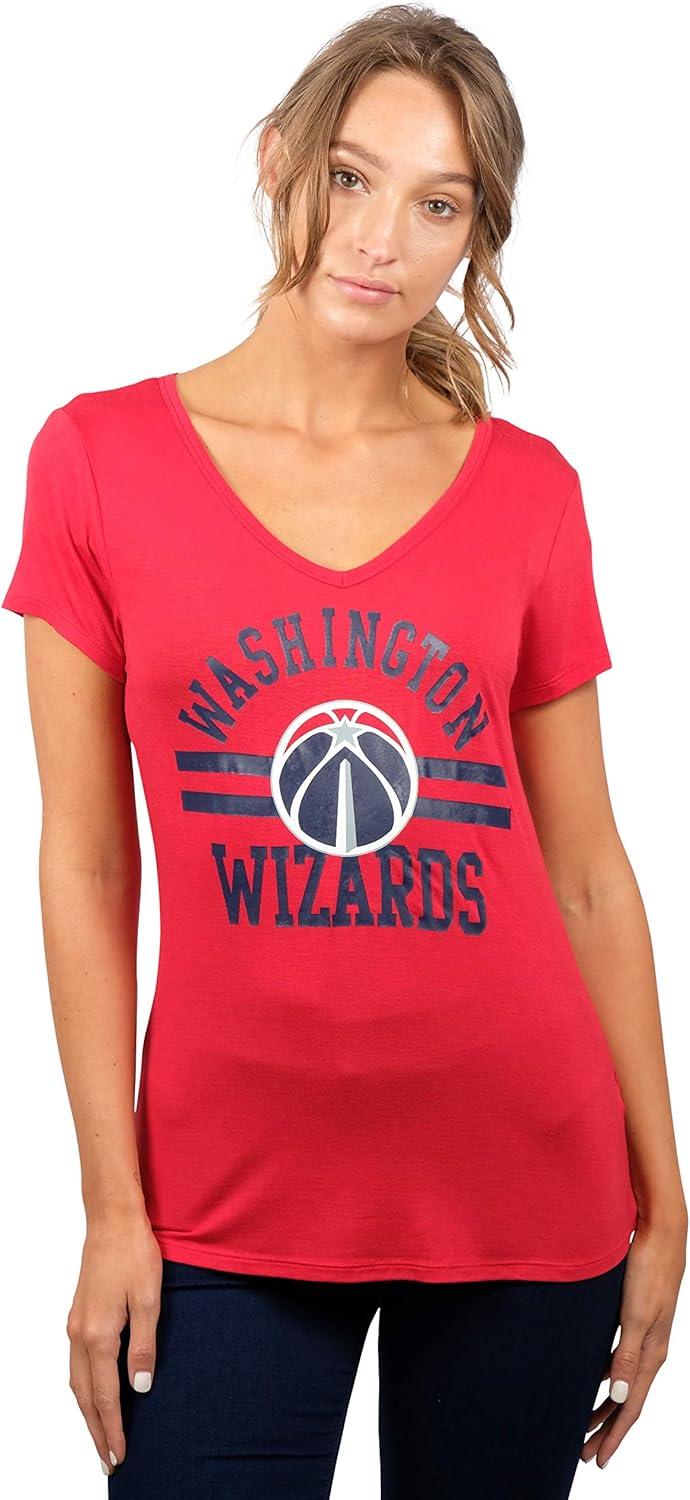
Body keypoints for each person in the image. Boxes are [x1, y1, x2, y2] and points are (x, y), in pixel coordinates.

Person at [2, 6, 686, 1497]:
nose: (380, 239)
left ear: (475, 238)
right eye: (351, 178)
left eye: (438, 205)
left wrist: (666, 1194)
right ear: (279, 162)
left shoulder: (528, 492)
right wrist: (111, 1205)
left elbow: (585, 871)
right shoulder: (96, 460)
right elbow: (86, 862)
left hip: (525, 1184)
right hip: (218, 1204)